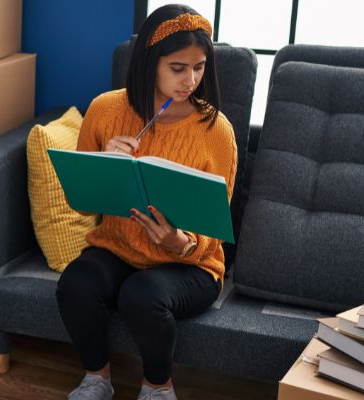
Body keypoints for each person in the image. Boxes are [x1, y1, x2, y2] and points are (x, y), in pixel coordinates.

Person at [56, 4, 237, 400]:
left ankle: (158, 388)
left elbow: (214, 226)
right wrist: (103, 167)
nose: (190, 80)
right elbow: (84, 207)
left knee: (142, 294)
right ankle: (97, 380)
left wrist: (180, 242)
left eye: (200, 67)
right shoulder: (105, 110)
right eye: (178, 68)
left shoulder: (216, 131)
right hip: (119, 248)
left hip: (191, 264)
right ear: (149, 62)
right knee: (75, 284)